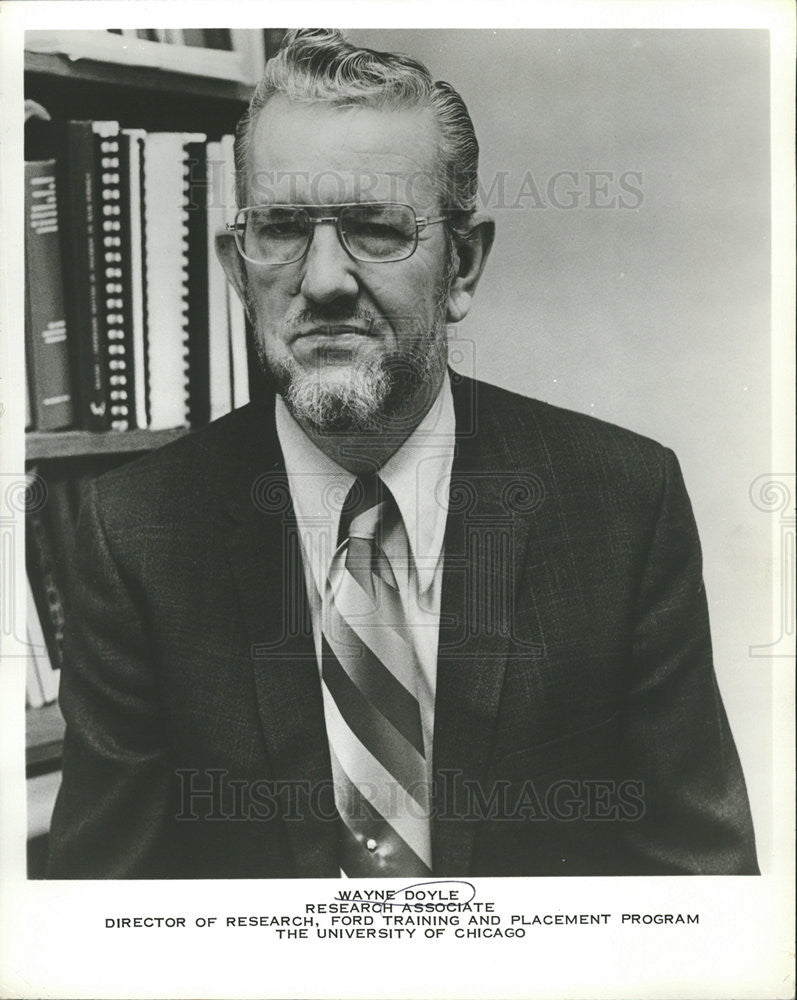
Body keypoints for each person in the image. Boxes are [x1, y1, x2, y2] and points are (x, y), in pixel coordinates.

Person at [47, 29, 758, 878]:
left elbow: (700, 891)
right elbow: (99, 918)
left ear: (461, 265)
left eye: (375, 229)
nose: (322, 282)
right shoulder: (135, 533)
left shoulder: (620, 503)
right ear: (239, 272)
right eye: (280, 229)